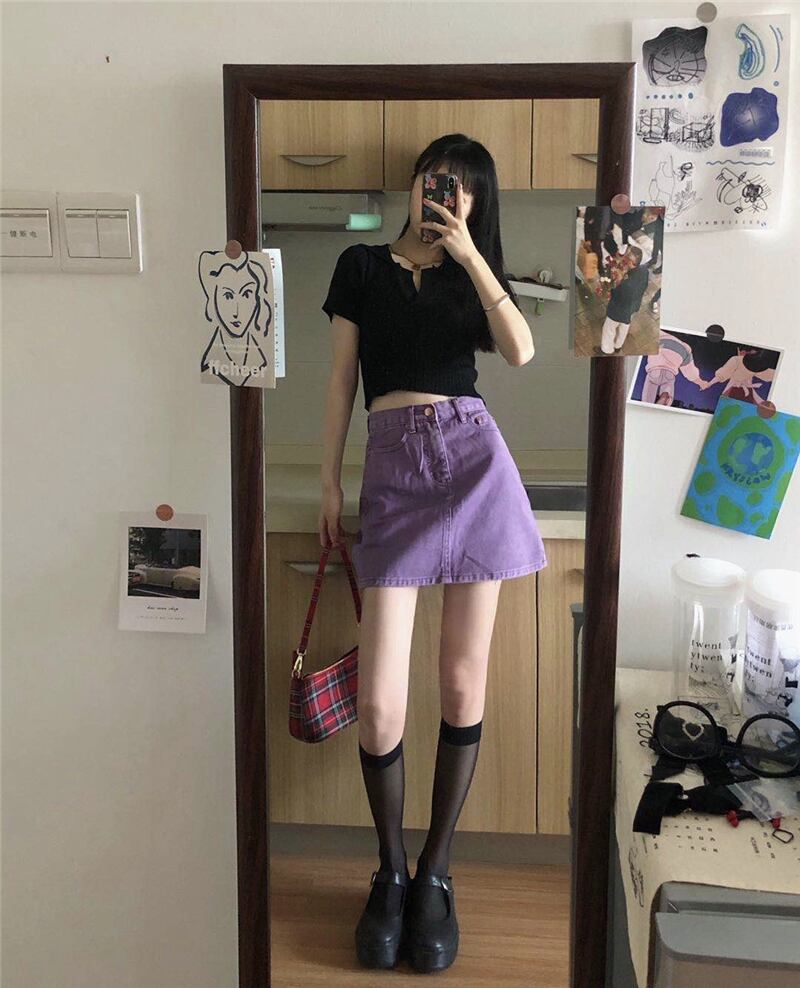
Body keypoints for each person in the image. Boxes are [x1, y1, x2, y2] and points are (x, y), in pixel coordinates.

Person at [319, 134, 547, 973]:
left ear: (476, 203)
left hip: (473, 462)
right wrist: (331, 481)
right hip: (392, 471)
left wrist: (472, 256)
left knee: (459, 683)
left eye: (461, 187)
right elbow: (342, 380)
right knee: (379, 705)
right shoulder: (360, 267)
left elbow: (520, 351)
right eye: (433, 179)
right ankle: (389, 869)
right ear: (413, 185)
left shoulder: (470, 276)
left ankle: (436, 873)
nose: (442, 193)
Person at [600, 244, 649, 354]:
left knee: (608, 329)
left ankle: (607, 350)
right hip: (632, 308)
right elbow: (644, 286)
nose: (624, 258)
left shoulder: (626, 286)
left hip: (618, 311)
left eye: (626, 257)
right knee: (624, 326)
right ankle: (618, 345)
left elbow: (615, 293)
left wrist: (617, 282)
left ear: (631, 262)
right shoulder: (644, 270)